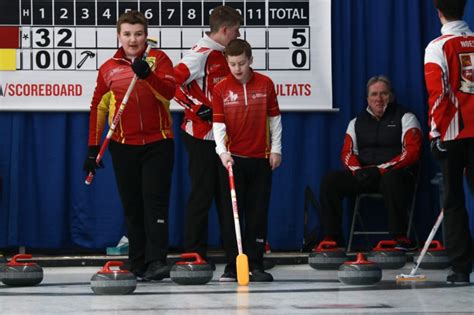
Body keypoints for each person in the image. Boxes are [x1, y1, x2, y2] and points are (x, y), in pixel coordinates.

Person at [83, 10, 176, 281]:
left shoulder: (159, 60)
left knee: (154, 204)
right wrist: (92, 148)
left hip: (158, 143)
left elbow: (169, 93)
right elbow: (98, 108)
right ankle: (137, 262)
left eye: (138, 34)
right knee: (133, 205)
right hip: (124, 146)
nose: (133, 40)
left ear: (146, 35)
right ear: (118, 36)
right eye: (127, 34)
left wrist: (148, 75)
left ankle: (157, 260)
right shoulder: (109, 67)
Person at [319, 75, 422, 251]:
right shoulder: (356, 122)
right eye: (374, 94)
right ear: (367, 98)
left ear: (391, 95)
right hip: (365, 176)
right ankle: (333, 239)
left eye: (384, 94)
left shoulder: (406, 117)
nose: (379, 99)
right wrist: (357, 171)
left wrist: (380, 170)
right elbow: (347, 153)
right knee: (331, 181)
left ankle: (400, 238)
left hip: (394, 176)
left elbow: (411, 153)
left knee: (392, 179)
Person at [173, 6, 242, 262]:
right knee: (201, 195)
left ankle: (235, 256)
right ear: (224, 30)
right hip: (201, 137)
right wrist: (195, 107)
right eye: (236, 30)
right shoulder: (201, 53)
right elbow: (172, 82)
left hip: (226, 138)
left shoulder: (228, 54)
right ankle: (193, 254)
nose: (238, 34)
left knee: (229, 197)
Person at [212, 39, 283, 282]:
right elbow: (218, 126)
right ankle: (233, 265)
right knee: (232, 215)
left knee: (257, 213)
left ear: (250, 60)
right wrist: (222, 153)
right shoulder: (220, 89)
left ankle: (256, 263)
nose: (238, 68)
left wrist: (276, 149)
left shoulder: (265, 84)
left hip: (260, 159)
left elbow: (274, 120)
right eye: (232, 64)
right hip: (232, 161)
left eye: (242, 63)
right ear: (227, 63)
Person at [424, 0, 473, 284]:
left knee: (453, 201)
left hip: (453, 133)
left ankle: (461, 269)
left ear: (439, 11)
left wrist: (435, 133)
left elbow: (438, 94)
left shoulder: (438, 47)